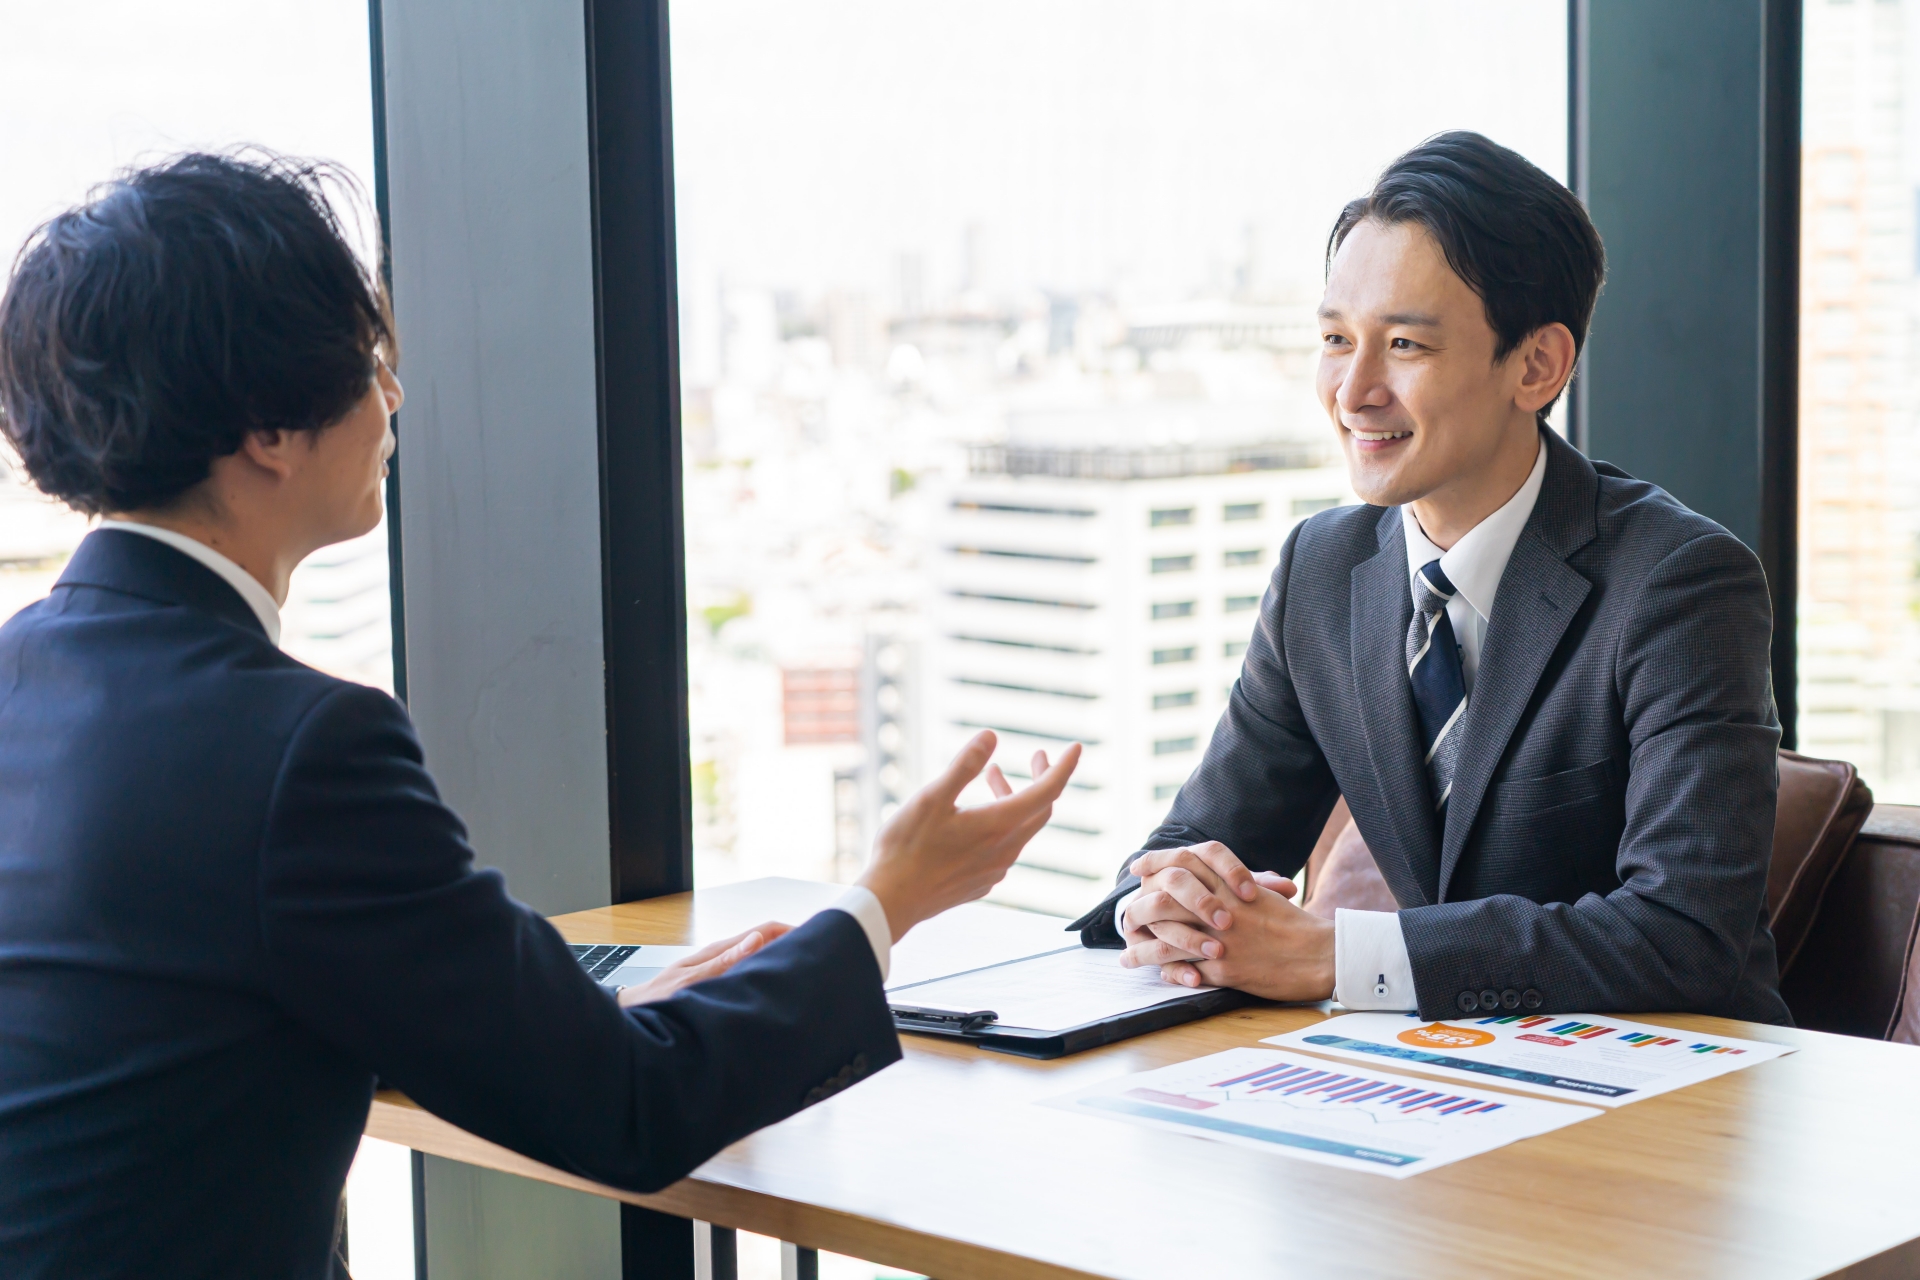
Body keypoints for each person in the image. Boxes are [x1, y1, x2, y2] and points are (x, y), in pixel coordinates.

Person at [0, 152, 1079, 1279]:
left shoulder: (24, 678)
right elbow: (630, 1110)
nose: (396, 396)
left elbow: (151, 1040)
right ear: (269, 428)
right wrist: (893, 894)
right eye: (374, 362)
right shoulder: (300, 750)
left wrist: (574, 1022)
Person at [1070, 131, 1789, 1027]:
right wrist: (1167, 901)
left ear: (1538, 366)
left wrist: (1337, 957)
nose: (1353, 391)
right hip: (1438, 1079)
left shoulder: (1680, 583)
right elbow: (1202, 838)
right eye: (1336, 339)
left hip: (1669, 1096)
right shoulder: (1322, 571)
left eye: (1404, 344)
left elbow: (1683, 937)